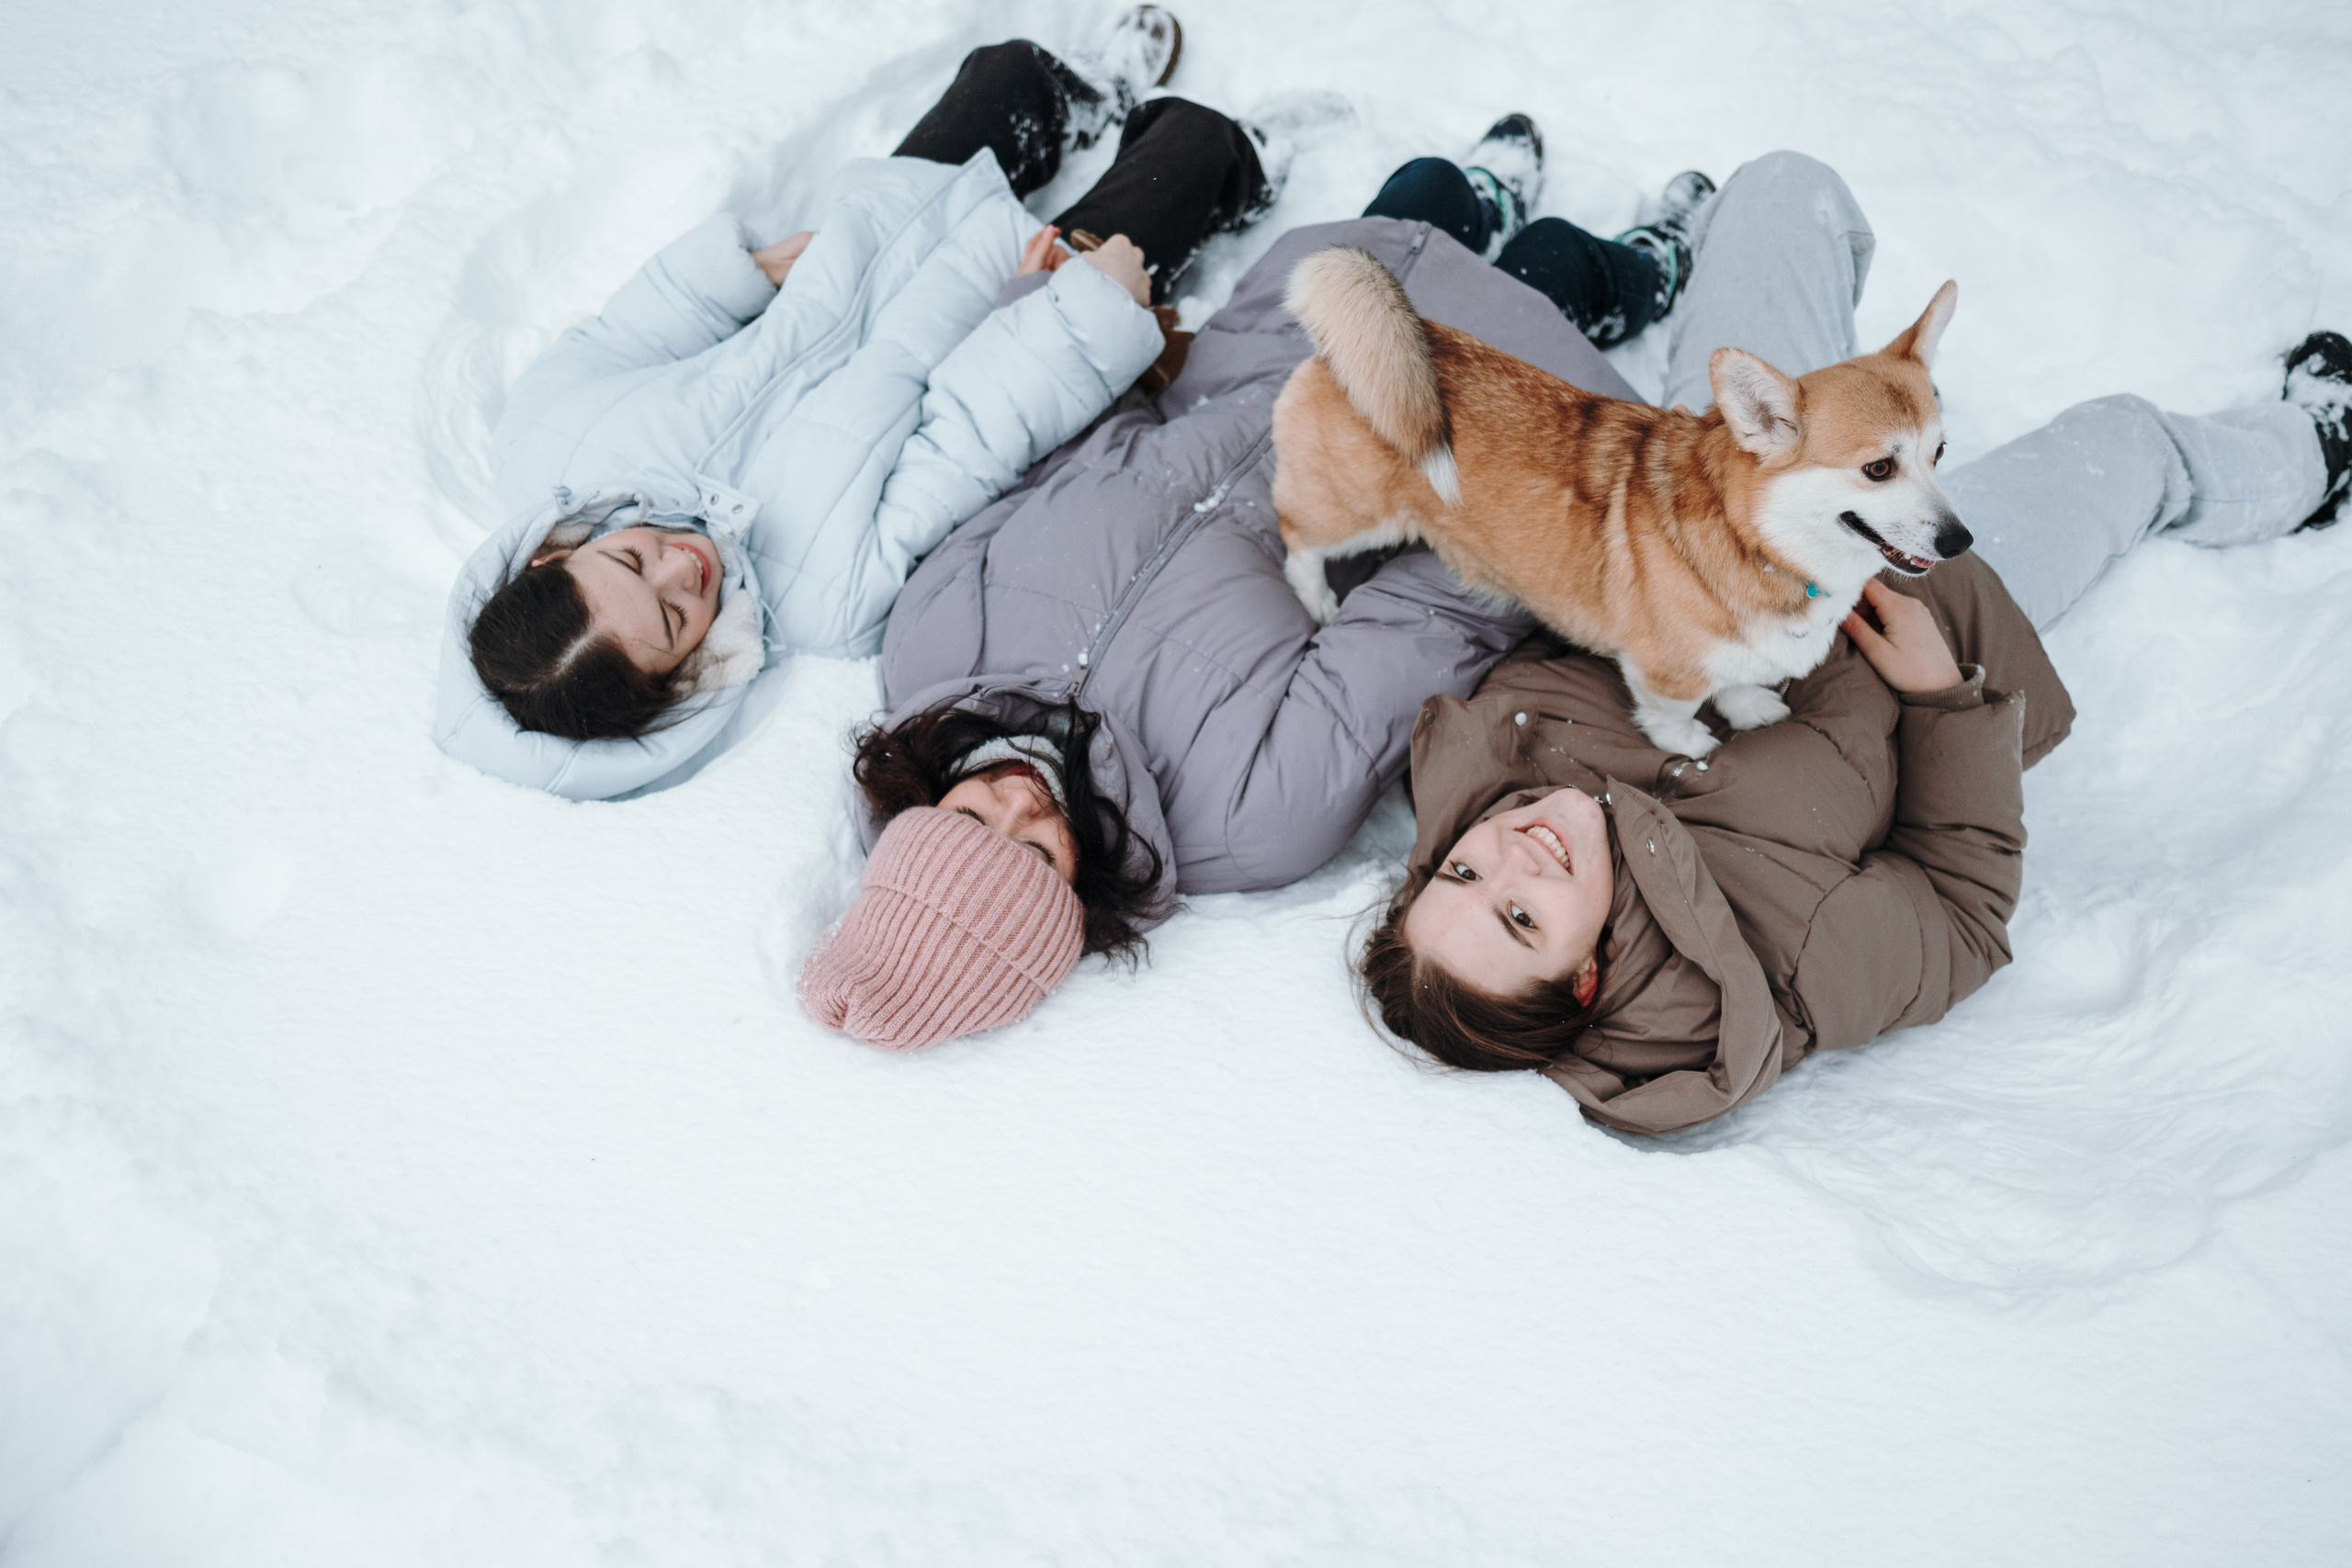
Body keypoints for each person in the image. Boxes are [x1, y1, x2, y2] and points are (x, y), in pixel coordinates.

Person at [1356, 154, 2352, 1135]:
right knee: (2125, 439)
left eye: (1463, 875)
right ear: (1586, 975)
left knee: (1787, 189)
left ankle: (1675, 276)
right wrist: (1938, 701)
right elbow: (1961, 914)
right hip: (1928, 597)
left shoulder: (1487, 753)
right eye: (1521, 918)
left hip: (1726, 473)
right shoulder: (1778, 962)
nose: (1508, 860)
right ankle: (2310, 452)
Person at [799, 118, 1722, 1045]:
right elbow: (1435, 614)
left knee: (1426, 192)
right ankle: (1645, 265)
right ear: (1077, 899)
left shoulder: (929, 647)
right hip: (1446, 409)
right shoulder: (1250, 814)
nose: (1017, 800)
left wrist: (1082, 324)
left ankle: (1482, 194)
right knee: (1553, 269)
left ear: (924, 807)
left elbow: (1047, 451)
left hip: (1269, 339)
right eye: (1035, 850)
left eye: (970, 814)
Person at [433, 8, 1290, 798]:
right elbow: (964, 441)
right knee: (1185, 155)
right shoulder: (825, 597)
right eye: (671, 614)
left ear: (552, 555)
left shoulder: (550, 444)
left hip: (863, 242)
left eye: (627, 561)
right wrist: (1074, 317)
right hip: (1002, 301)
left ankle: (1082, 95)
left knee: (1005, 77)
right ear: (684, 675)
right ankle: (1240, 163)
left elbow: (622, 339)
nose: (677, 563)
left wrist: (735, 279)